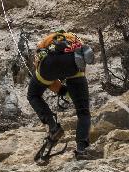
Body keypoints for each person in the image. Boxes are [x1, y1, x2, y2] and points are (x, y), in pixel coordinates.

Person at [27, 30, 94, 160]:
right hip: (73, 64)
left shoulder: (45, 42)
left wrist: (61, 90)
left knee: (33, 95)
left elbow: (40, 64)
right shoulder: (76, 39)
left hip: (48, 65)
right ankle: (81, 149)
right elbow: (82, 67)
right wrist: (69, 91)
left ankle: (53, 127)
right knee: (83, 112)